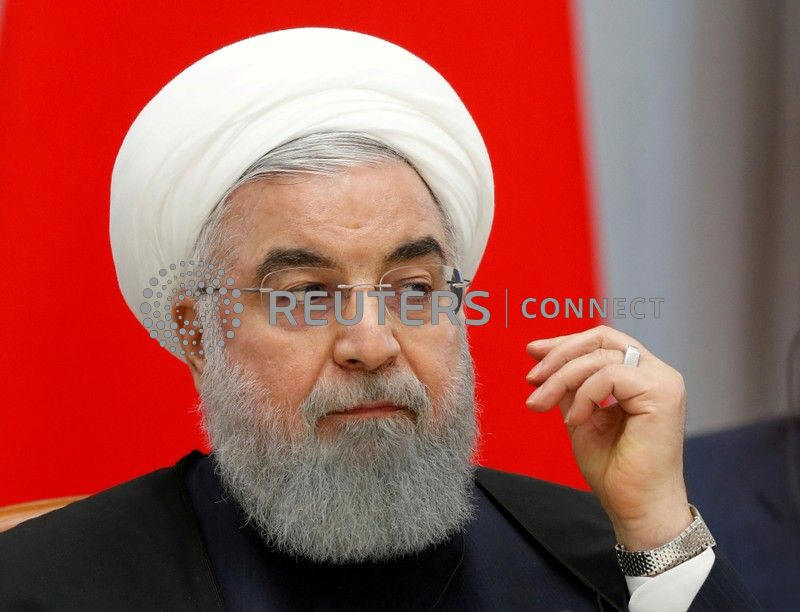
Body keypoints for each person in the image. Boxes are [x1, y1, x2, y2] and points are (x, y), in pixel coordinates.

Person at [0, 27, 760, 611]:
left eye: (413, 288)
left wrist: (659, 532)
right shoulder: (41, 588)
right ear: (200, 333)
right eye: (306, 294)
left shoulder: (606, 565)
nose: (371, 343)